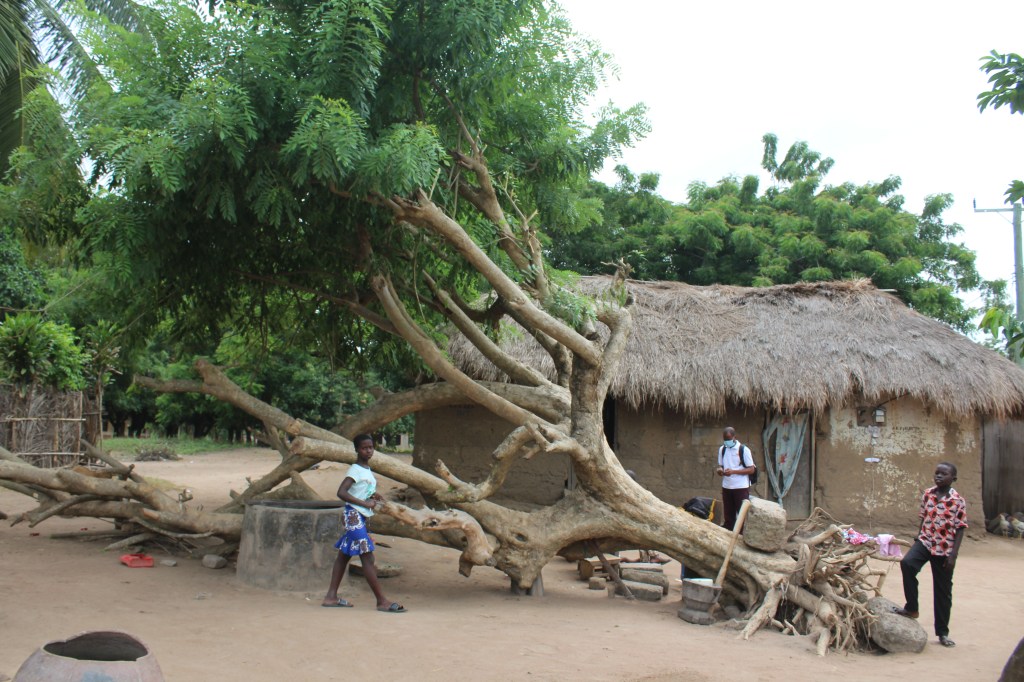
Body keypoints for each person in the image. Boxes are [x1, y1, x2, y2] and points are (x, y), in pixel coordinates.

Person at [321, 434, 406, 613]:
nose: (369, 451)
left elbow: (361, 490)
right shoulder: (355, 470)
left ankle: (331, 597)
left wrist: (373, 495)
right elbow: (341, 492)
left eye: (371, 447)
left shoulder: (366, 469)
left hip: (358, 517)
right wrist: (365, 504)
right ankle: (381, 601)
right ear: (357, 450)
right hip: (353, 516)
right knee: (367, 557)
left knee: (344, 555)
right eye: (364, 448)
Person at [895, 462, 967, 647]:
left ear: (953, 479)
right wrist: (919, 537)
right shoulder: (928, 494)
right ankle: (912, 608)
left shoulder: (958, 500)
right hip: (926, 541)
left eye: (944, 474)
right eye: (937, 473)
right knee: (907, 563)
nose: (939, 476)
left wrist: (953, 556)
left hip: (945, 548)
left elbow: (960, 529)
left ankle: (943, 633)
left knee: (943, 591)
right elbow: (924, 518)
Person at [714, 427, 755, 531]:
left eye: (728, 439)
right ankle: (728, 535)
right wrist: (720, 471)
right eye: (725, 439)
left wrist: (733, 472)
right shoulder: (722, 449)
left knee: (741, 515)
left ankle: (741, 536)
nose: (727, 442)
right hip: (727, 486)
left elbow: (751, 469)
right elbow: (720, 466)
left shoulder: (743, 450)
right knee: (728, 515)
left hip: (741, 487)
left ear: (734, 437)